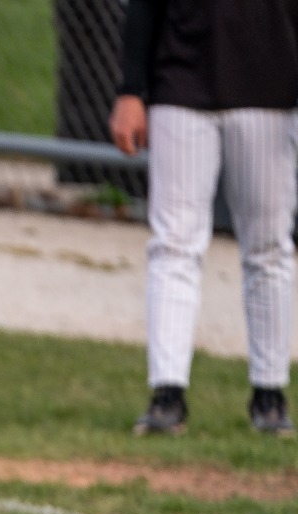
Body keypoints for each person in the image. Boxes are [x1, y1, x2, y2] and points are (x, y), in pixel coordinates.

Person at [112, 0, 298, 437]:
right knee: (173, 244)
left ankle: (269, 393)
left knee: (269, 248)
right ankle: (167, 392)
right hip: (181, 86)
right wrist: (131, 89)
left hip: (272, 91)